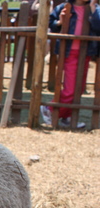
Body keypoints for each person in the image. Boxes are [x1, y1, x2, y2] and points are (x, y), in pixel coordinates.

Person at [41, 0, 100, 128]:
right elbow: (51, 23)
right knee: (70, 89)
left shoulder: (95, 9)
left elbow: (98, 27)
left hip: (86, 51)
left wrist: (93, 9)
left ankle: (65, 117)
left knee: (79, 88)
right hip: (68, 51)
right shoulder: (63, 7)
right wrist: (60, 22)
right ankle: (50, 109)